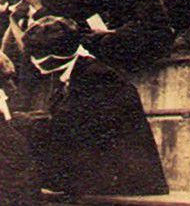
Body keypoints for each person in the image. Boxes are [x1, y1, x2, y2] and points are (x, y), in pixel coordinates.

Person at [14, 16, 168, 196]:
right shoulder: (80, 70)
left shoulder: (97, 76)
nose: (32, 61)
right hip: (104, 164)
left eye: (34, 55)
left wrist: (21, 121)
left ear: (50, 57)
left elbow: (72, 126)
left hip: (123, 176)